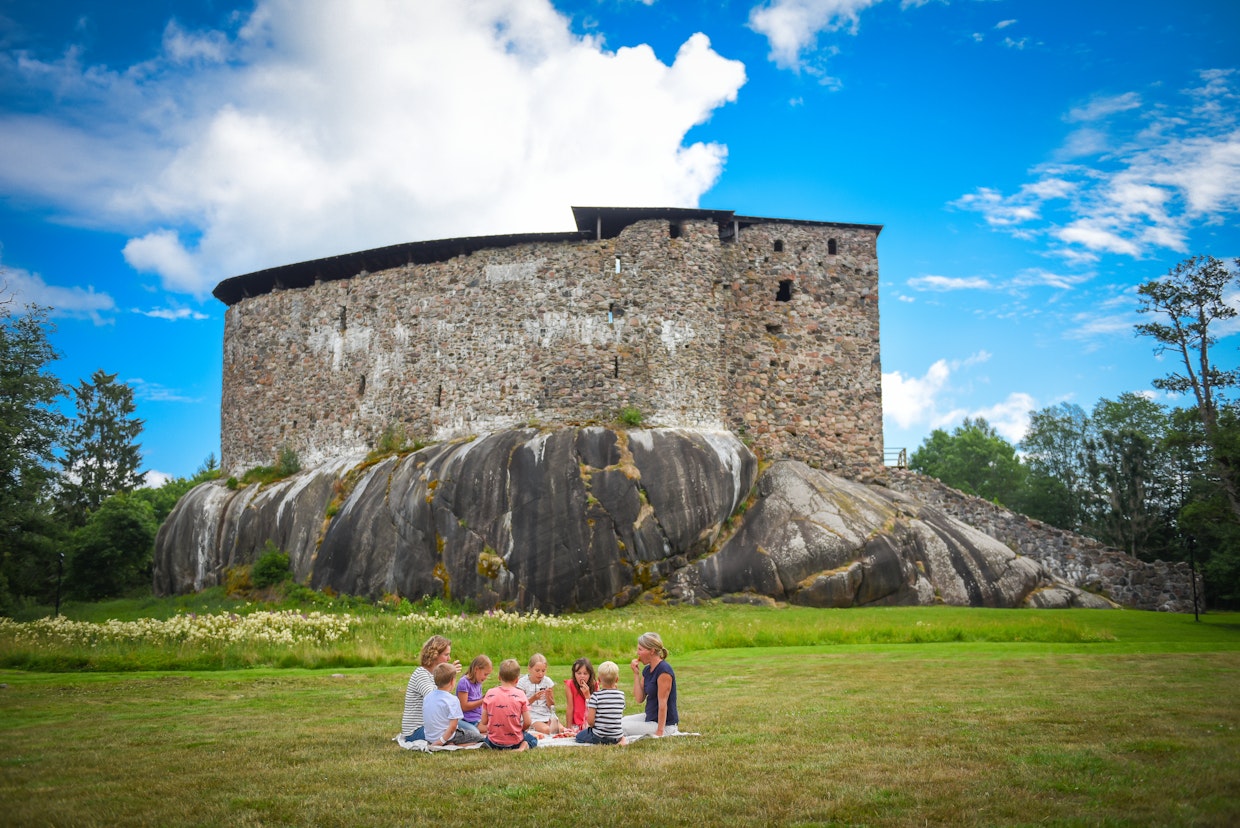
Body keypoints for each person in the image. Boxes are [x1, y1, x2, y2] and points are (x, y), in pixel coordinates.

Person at [401, 634, 460, 742]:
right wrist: (448, 675)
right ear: (435, 655)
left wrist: (446, 673)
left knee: (469, 730)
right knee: (464, 733)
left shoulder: (434, 674)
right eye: (446, 654)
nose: (449, 658)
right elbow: (436, 699)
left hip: (434, 724)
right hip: (416, 730)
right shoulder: (421, 674)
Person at [622, 631, 679, 737]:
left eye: (640, 649)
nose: (637, 653)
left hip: (664, 725)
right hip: (650, 717)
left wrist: (660, 732)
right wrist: (636, 674)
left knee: (622, 728)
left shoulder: (664, 671)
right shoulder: (647, 670)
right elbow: (639, 699)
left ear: (652, 651)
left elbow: (663, 704)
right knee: (622, 721)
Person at [480, 658, 539, 751]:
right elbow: (527, 722)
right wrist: (522, 730)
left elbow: (484, 721)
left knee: (487, 739)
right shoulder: (521, 695)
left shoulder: (489, 693)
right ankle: (523, 747)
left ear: (499, 677)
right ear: (517, 680)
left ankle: (490, 745)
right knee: (533, 740)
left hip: (494, 742)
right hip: (515, 742)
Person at [423, 663, 482, 746]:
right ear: (452, 681)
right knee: (480, 738)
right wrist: (441, 741)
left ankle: (449, 743)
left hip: (430, 738)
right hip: (447, 738)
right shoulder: (452, 700)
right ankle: (453, 744)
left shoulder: (427, 697)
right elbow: (453, 727)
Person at [575, 660, 626, 745]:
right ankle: (621, 740)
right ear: (617, 679)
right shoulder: (621, 695)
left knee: (579, 737)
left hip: (599, 736)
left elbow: (590, 722)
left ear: (599, 680)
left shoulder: (596, 696)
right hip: (616, 736)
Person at [517, 653, 563, 735]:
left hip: (546, 714)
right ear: (529, 669)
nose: (540, 674)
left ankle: (539, 728)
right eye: (537, 670)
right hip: (531, 714)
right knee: (548, 730)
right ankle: (533, 728)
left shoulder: (547, 681)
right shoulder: (522, 682)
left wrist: (548, 696)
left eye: (543, 671)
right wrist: (534, 698)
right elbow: (519, 706)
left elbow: (551, 706)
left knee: (561, 729)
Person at [456, 654, 492, 737]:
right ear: (476, 669)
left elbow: (477, 701)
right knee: (493, 728)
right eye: (485, 674)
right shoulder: (464, 682)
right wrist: (482, 700)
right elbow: (463, 706)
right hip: (468, 720)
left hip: (478, 718)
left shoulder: (478, 682)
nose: (486, 677)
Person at [564, 657, 597, 732]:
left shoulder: (594, 685)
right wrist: (568, 728)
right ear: (574, 674)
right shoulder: (570, 685)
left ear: (590, 675)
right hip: (576, 724)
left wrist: (587, 695)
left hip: (590, 722)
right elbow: (570, 708)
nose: (582, 676)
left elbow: (595, 707)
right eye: (579, 673)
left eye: (585, 673)